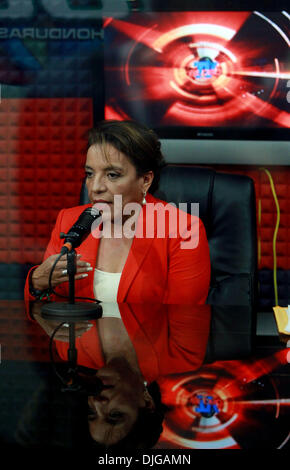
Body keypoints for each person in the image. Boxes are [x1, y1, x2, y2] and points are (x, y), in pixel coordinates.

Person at [24, 119, 211, 307]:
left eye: (112, 175)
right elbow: (45, 311)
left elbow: (186, 323)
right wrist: (36, 283)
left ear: (145, 180)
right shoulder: (69, 221)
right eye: (90, 174)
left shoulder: (182, 230)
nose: (95, 187)